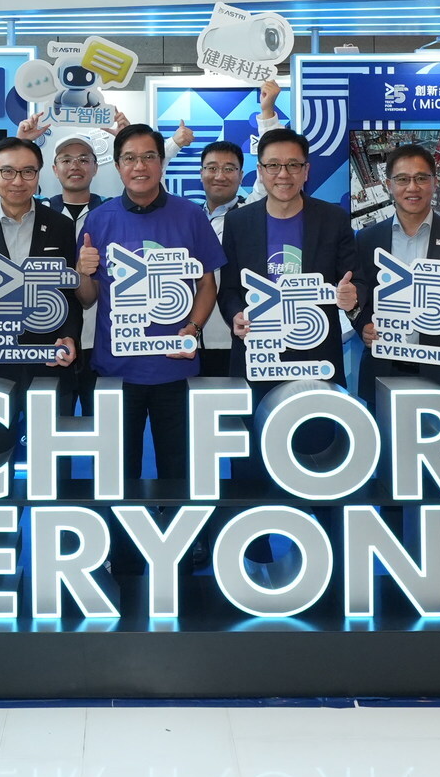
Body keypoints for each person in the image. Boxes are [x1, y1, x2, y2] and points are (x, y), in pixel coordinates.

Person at [75, 123, 223, 497]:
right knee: (118, 473)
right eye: (129, 158)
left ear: (161, 162)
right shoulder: (99, 218)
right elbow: (88, 298)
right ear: (118, 166)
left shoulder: (190, 215)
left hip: (175, 366)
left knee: (178, 469)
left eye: (148, 157)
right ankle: (120, 537)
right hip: (116, 369)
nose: (139, 166)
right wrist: (82, 273)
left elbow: (207, 284)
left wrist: (194, 327)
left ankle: (180, 532)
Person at [217, 127, 360, 390]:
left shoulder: (333, 219)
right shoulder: (237, 222)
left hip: (316, 355)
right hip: (258, 353)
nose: (283, 174)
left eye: (293, 165)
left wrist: (352, 296)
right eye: (273, 165)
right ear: (260, 171)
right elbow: (228, 290)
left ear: (306, 171)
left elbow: (355, 280)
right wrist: (236, 314)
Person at [355, 141, 440, 403]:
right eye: (402, 179)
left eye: (421, 178)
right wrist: (363, 325)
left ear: (434, 182)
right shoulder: (367, 239)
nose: (412, 187)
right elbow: (360, 297)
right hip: (384, 366)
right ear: (388, 185)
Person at [0, 136, 82, 385]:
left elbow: (69, 294)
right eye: (8, 171)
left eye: (28, 172)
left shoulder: (61, 226)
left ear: (39, 174)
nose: (18, 181)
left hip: (49, 359)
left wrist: (69, 336)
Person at [46, 134, 102, 415]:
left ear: (95, 167)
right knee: (53, 422)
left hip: (100, 339)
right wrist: (21, 141)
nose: (75, 166)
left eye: (83, 159)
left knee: (105, 425)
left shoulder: (111, 212)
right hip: (52, 337)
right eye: (66, 160)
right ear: (54, 169)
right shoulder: (39, 212)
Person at [192, 139, 247, 377]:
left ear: (241, 175)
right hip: (188, 338)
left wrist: (267, 119)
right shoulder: (187, 217)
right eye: (212, 168)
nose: (220, 176)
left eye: (229, 169)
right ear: (201, 173)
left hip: (233, 337)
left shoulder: (251, 214)